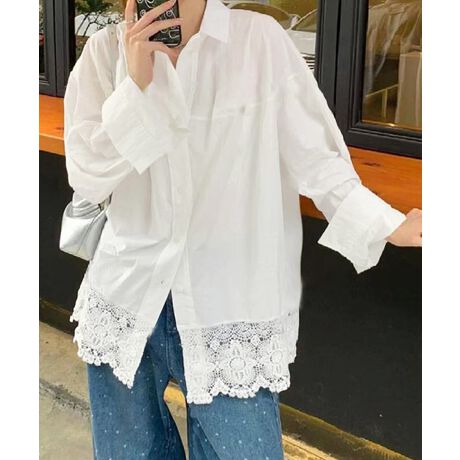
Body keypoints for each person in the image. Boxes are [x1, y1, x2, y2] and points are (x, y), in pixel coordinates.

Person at [63, 0, 422, 458]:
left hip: (230, 312)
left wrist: (386, 224)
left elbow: (315, 156)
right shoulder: (104, 52)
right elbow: (87, 175)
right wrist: (135, 85)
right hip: (125, 299)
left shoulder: (258, 42)